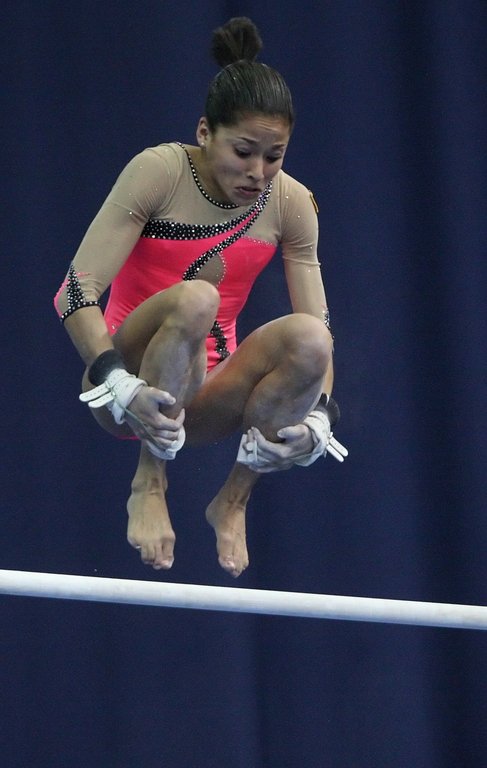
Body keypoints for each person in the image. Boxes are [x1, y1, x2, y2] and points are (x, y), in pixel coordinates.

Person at [54, 17, 347, 579]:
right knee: (195, 299)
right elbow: (75, 291)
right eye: (243, 151)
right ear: (205, 132)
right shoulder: (160, 172)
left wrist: (320, 418)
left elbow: (320, 332)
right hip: (124, 387)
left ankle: (233, 500)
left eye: (275, 156)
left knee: (313, 340)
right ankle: (149, 481)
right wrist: (118, 380)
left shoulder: (292, 204)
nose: (258, 173)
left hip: (209, 400)